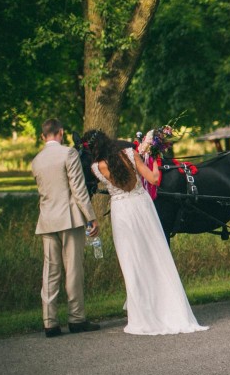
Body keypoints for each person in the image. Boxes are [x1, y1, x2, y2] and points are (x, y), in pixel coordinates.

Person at [83, 129, 208, 335]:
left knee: (132, 262)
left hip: (121, 214)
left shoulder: (96, 168)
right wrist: (155, 159)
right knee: (156, 255)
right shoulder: (131, 154)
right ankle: (170, 307)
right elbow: (154, 179)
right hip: (142, 207)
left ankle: (142, 315)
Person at [32, 118, 101, 337]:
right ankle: (76, 318)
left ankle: (50, 322)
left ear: (44, 136)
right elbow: (79, 190)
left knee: (50, 271)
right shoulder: (69, 154)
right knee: (73, 269)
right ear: (61, 132)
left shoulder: (36, 160)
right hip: (69, 218)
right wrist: (91, 217)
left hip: (47, 220)